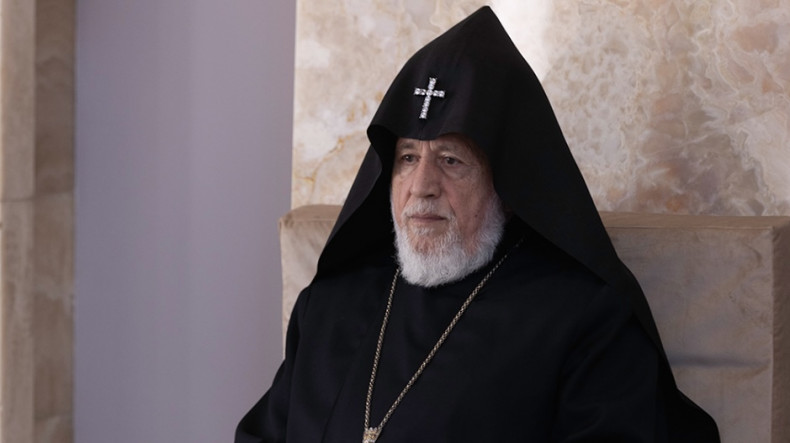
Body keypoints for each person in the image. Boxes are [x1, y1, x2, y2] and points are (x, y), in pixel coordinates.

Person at [236, 6, 720, 442]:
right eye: (408, 157)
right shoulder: (327, 307)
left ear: (507, 187)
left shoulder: (584, 320)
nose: (421, 187)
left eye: (451, 160)